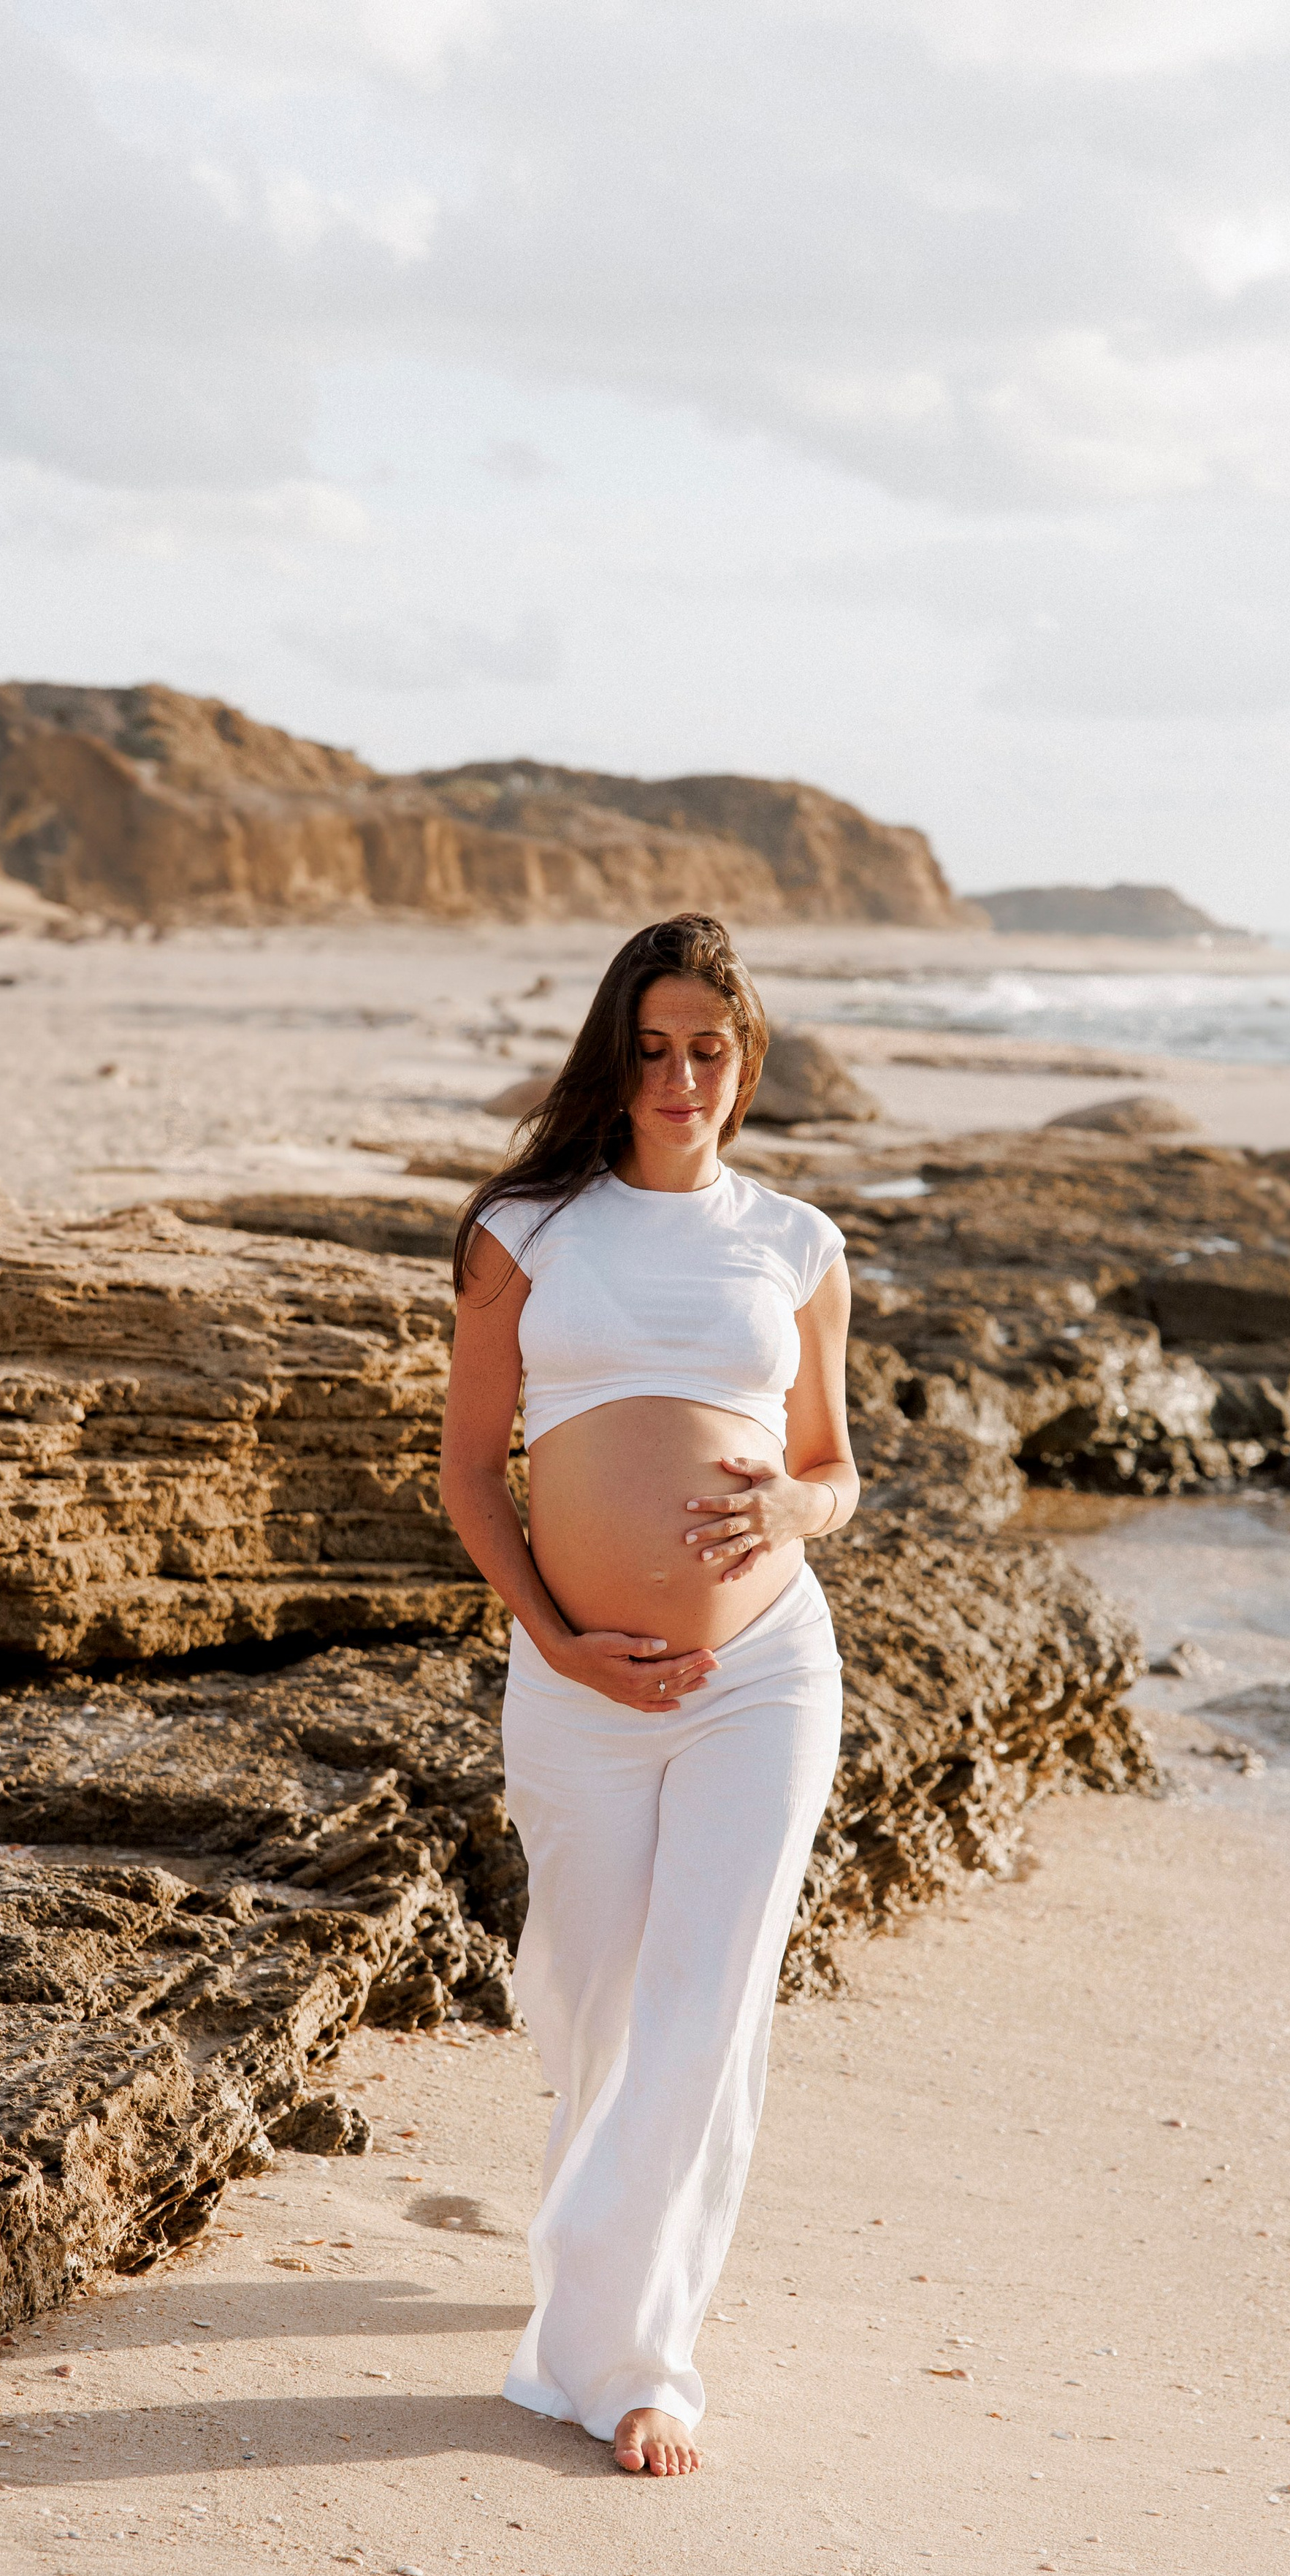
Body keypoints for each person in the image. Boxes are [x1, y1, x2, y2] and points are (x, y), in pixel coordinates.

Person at [440, 913, 858, 2480]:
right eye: (655, 1046)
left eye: (711, 1049)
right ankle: (591, 2235)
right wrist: (552, 1637)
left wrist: (794, 1515)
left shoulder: (797, 1244)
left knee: (704, 2007)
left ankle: (631, 2361)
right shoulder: (527, 1231)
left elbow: (831, 1467)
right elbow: (470, 1473)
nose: (682, 1076)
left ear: (745, 1067)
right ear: (615, 1060)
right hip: (577, 1685)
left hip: (765, 1673)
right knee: (591, 2006)